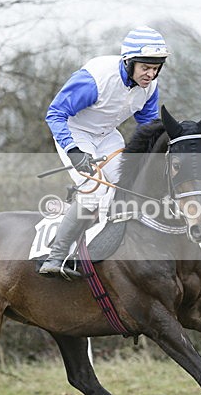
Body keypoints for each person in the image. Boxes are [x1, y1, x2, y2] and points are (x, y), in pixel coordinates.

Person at [39, 26, 170, 278]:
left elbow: (149, 126)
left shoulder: (150, 88)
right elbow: (55, 114)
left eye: (155, 69)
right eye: (145, 67)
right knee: (95, 192)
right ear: (129, 62)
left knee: (126, 184)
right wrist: (74, 150)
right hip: (74, 132)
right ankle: (55, 256)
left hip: (107, 135)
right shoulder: (95, 79)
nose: (150, 74)